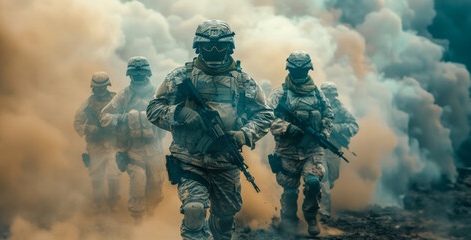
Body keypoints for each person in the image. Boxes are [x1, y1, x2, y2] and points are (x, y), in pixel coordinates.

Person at [146, 19, 273, 240]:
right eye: (208, 47)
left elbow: (265, 114)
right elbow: (154, 108)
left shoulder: (243, 82)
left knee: (224, 222)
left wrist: (245, 134)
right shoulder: (180, 77)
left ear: (229, 48)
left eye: (220, 47)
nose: (214, 51)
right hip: (189, 160)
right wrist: (179, 113)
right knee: (194, 210)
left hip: (225, 162)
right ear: (198, 47)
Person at [267, 51, 333, 236]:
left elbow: (328, 115)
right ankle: (288, 220)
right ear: (289, 70)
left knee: (313, 183)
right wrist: (287, 127)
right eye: (296, 71)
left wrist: (323, 133)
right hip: (287, 151)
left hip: (312, 150)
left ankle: (311, 217)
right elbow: (266, 118)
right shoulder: (279, 94)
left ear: (308, 70)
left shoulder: (317, 94)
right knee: (290, 191)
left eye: (302, 71)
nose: (299, 74)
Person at [100, 57, 165, 222]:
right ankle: (139, 225)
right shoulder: (124, 96)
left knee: (156, 188)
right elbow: (104, 116)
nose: (138, 75)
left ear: (147, 72)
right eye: (134, 72)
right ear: (129, 74)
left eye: (141, 71)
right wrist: (122, 119)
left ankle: (152, 219)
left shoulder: (158, 94)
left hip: (155, 149)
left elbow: (171, 114)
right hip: (133, 149)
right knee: (138, 185)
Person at [73, 71, 120, 213]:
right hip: (96, 146)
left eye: (103, 87)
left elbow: (125, 118)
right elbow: (77, 123)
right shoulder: (87, 104)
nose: (100, 90)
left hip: (113, 144)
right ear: (93, 87)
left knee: (113, 176)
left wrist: (116, 123)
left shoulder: (116, 100)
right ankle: (99, 206)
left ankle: (113, 204)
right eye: (97, 87)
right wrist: (88, 128)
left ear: (107, 86)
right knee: (97, 178)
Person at [319, 82, 359, 221]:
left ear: (335, 95)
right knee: (322, 178)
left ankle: (318, 198)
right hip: (319, 147)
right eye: (326, 94)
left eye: (330, 95)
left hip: (334, 148)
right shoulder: (316, 105)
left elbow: (354, 125)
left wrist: (338, 128)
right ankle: (323, 212)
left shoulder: (341, 108)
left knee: (332, 178)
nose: (328, 97)